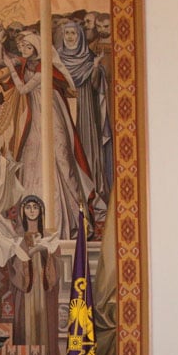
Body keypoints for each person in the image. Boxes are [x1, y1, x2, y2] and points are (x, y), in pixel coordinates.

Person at [0, 31, 95, 240]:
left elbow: (24, 89)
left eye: (28, 47)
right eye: (22, 47)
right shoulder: (29, 64)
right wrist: (3, 52)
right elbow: (2, 66)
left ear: (36, 47)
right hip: (34, 117)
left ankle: (75, 217)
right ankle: (34, 222)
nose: (24, 51)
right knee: (33, 159)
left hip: (50, 115)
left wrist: (10, 67)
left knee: (61, 160)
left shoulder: (44, 67)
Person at [0, 195, 63, 355]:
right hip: (26, 291)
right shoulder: (18, 237)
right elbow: (14, 267)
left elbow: (57, 265)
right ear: (23, 211)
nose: (32, 210)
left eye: (35, 207)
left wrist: (46, 252)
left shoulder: (50, 235)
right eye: (28, 207)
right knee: (26, 325)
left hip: (44, 289)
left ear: (41, 211)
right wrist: (30, 252)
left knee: (44, 324)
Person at [56, 21, 111, 217]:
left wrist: (95, 68)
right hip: (63, 112)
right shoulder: (58, 60)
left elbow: (96, 87)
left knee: (85, 151)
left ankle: (90, 194)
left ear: (79, 36)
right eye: (67, 33)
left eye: (73, 33)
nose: (70, 36)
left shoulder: (89, 59)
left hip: (84, 114)